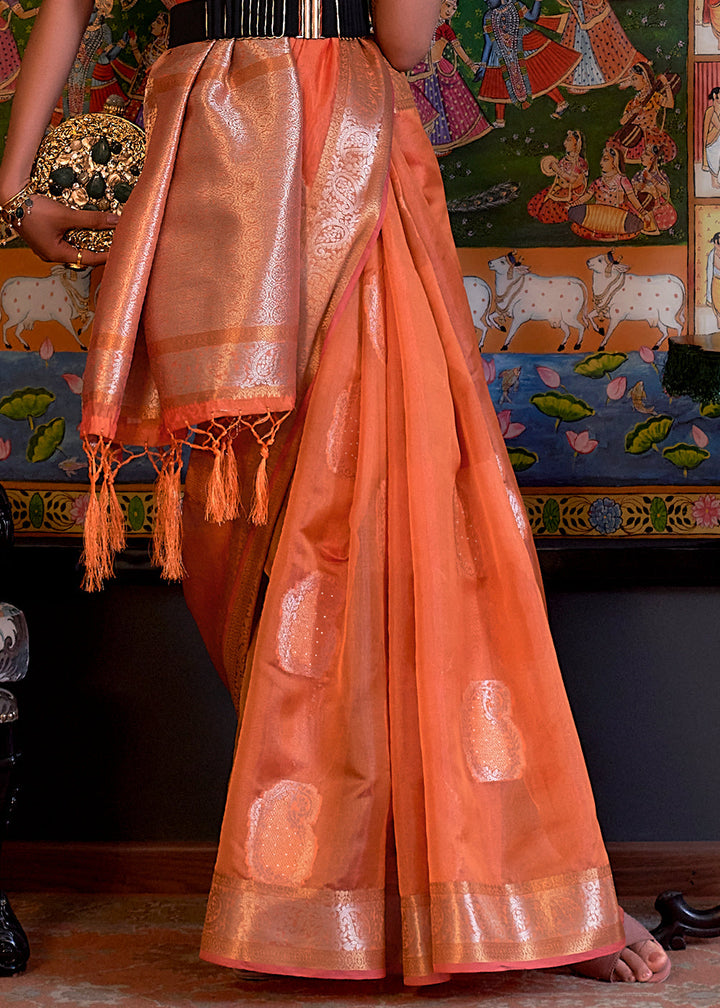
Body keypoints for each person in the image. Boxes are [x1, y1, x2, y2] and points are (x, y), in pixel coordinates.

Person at [0, 0, 670, 988]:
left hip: (209, 156)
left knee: (266, 530)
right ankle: (484, 889)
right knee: (407, 523)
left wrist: (15, 186)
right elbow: (405, 38)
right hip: (328, 150)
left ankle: (357, 888)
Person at [407, 0, 491, 155]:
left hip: (437, 71)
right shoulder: (423, 22)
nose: (450, 10)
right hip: (419, 69)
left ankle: (438, 145)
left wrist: (470, 64)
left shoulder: (445, 29)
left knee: (441, 108)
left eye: (453, 8)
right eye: (448, 5)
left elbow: (457, 47)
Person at [527, 128, 588, 222]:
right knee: (537, 201)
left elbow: (573, 180)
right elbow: (559, 175)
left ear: (577, 144)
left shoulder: (579, 163)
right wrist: (551, 168)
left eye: (569, 140)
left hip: (572, 191)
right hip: (560, 187)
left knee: (548, 209)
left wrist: (558, 170)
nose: (565, 143)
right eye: (566, 140)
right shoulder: (564, 160)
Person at [703, 86, 720, 190]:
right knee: (714, 160)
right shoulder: (710, 111)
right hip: (712, 141)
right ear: (715, 96)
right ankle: (714, 182)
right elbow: (718, 126)